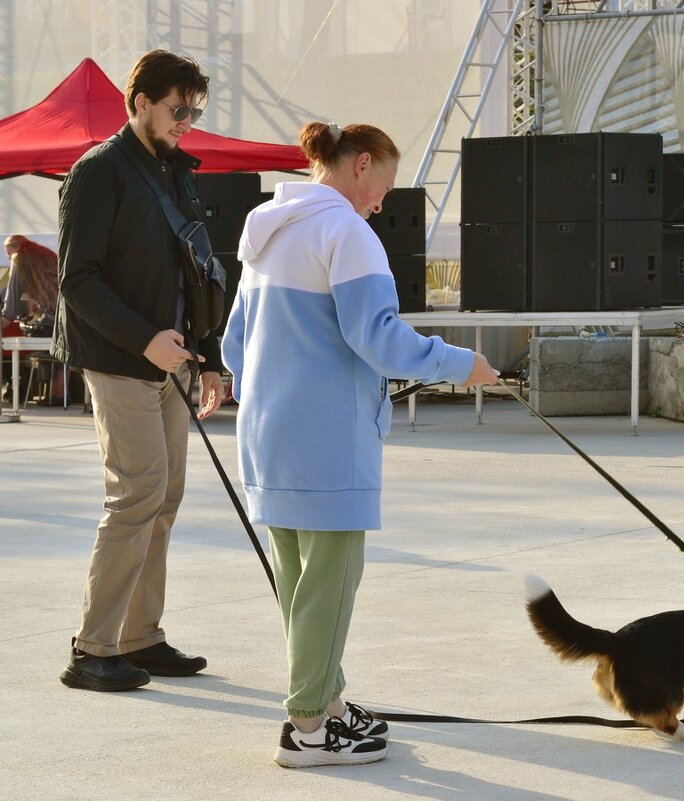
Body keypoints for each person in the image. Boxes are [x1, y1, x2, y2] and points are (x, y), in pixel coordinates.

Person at [221, 121, 499, 768]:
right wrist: (464, 365)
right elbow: (379, 338)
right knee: (333, 581)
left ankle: (328, 701)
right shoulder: (348, 233)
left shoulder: (266, 226)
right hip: (328, 439)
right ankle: (309, 728)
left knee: (299, 584)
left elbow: (235, 342)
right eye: (384, 187)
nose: (381, 203)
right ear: (361, 165)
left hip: (267, 434)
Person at [52, 50, 224, 692]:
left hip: (176, 359)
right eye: (179, 108)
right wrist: (146, 340)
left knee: (165, 498)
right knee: (135, 497)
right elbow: (78, 281)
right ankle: (93, 647)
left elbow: (193, 271)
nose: (188, 120)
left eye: (196, 109)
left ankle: (140, 637)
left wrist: (207, 355)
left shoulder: (176, 170)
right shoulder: (98, 172)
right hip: (123, 360)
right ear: (141, 102)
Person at [2, 235, 58, 328]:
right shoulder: (45, 253)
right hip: (61, 313)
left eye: (9, 253)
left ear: (17, 249)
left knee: (25, 324)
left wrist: (6, 317)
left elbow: (11, 308)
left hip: (46, 319)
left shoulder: (19, 259)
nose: (9, 258)